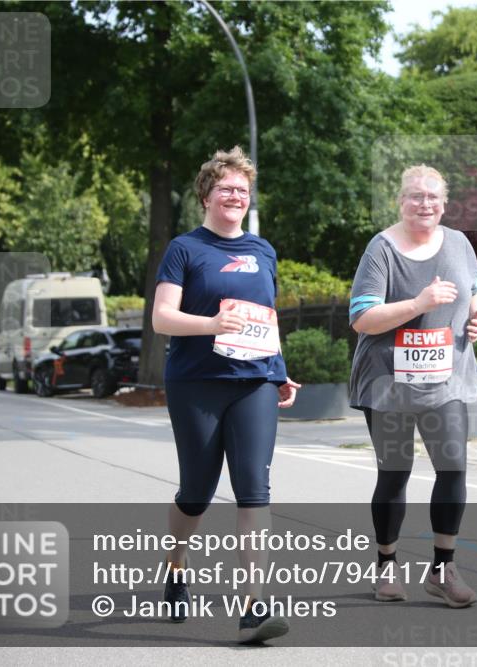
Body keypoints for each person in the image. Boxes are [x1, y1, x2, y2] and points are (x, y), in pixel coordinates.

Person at [152, 147, 300, 643]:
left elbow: (266, 317)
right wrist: (211, 324)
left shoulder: (263, 250)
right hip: (195, 381)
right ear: (207, 196)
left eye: (243, 189)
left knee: (254, 488)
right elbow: (162, 319)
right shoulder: (184, 249)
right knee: (195, 491)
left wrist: (278, 372)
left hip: (253, 382)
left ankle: (254, 606)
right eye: (226, 188)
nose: (236, 195)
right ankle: (175, 562)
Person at [349, 165, 477, 608]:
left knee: (453, 470)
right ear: (400, 202)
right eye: (414, 196)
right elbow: (362, 319)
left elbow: (475, 292)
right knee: (395, 474)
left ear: (444, 204)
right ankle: (386, 565)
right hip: (389, 382)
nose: (423, 203)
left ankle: (442, 570)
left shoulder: (461, 244)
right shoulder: (381, 250)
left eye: (431, 197)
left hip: (444, 381)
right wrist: (418, 304)